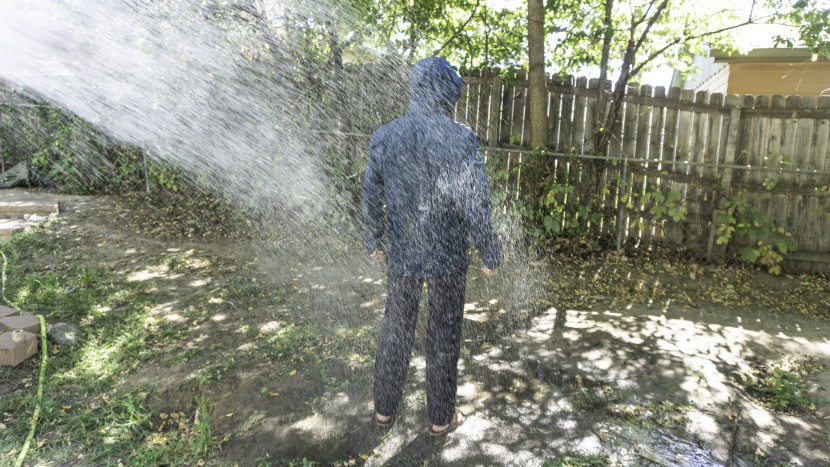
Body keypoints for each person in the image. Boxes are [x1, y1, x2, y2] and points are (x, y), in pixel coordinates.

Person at [362, 56, 502, 435]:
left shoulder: (386, 136)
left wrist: (374, 238)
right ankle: (441, 419)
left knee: (396, 330)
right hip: (448, 255)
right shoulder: (461, 138)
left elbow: (370, 195)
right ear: (448, 92)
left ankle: (384, 412)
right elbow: (476, 201)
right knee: (443, 334)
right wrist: (489, 251)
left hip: (403, 252)